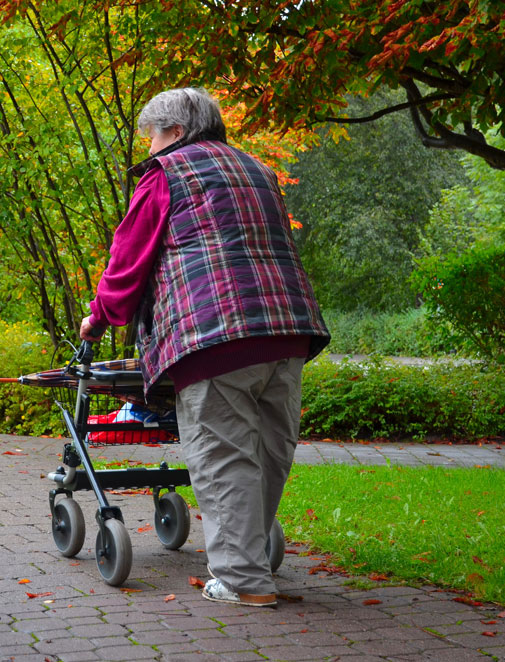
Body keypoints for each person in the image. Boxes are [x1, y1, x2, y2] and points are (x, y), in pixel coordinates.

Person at [79, 87, 329, 608]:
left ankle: (242, 581)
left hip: (213, 333)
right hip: (286, 328)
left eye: (151, 135)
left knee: (224, 457)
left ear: (174, 131)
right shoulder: (258, 170)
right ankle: (250, 559)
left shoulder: (166, 174)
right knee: (268, 452)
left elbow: (128, 260)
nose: (149, 146)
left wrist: (99, 318)